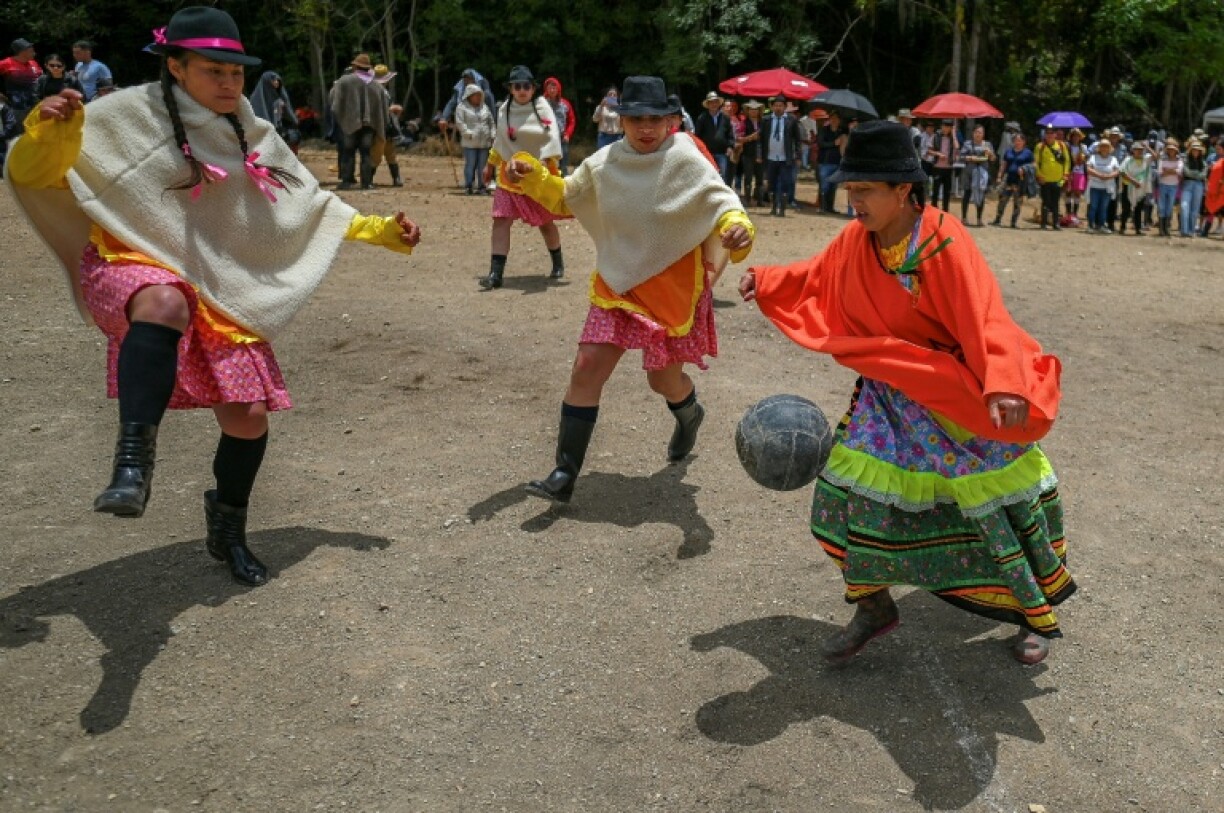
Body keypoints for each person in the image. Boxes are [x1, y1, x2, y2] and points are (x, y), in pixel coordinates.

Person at [5, 7, 421, 586]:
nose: (229, 84)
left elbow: (305, 202)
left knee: (247, 419)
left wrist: (378, 230)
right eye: (213, 71)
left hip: (216, 285)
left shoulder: (250, 128)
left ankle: (227, 531)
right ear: (175, 67)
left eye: (236, 72)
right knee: (164, 300)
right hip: (129, 263)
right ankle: (133, 465)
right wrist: (46, 133)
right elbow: (38, 175)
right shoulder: (123, 115)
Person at [739, 120, 1073, 665]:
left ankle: (1029, 613)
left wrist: (1004, 384)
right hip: (890, 396)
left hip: (956, 395)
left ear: (903, 191)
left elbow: (987, 316)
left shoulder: (943, 240)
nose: (854, 203)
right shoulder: (858, 239)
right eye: (850, 190)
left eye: (864, 191)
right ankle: (873, 606)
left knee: (994, 509)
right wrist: (770, 280)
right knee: (841, 500)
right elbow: (816, 275)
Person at [500, 75, 754, 508]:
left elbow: (725, 204)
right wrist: (531, 174)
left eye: (656, 118)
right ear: (622, 120)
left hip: (673, 290)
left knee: (663, 380)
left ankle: (689, 413)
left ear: (673, 119)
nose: (646, 127)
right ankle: (564, 473)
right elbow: (565, 198)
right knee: (586, 367)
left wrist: (737, 229)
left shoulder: (687, 157)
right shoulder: (606, 161)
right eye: (636, 118)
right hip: (617, 285)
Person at [480, 65, 567, 289]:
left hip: (537, 174)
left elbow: (551, 138)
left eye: (526, 86)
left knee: (545, 223)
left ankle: (558, 262)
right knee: (501, 221)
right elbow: (500, 142)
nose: (521, 90)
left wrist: (546, 166)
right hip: (509, 176)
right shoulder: (504, 110)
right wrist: (490, 164)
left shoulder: (542, 107)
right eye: (516, 86)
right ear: (510, 89)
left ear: (533, 88)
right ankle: (495, 274)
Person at [329, 53, 385, 190]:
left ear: (355, 66)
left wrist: (341, 117)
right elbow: (383, 105)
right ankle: (367, 183)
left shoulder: (344, 81)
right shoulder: (377, 84)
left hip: (349, 122)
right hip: (370, 125)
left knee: (348, 151)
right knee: (366, 152)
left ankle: (347, 181)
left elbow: (334, 101)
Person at [761, 95, 801, 218]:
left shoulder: (791, 120)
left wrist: (798, 155)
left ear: (785, 107)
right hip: (771, 156)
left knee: (785, 182)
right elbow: (761, 138)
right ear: (772, 107)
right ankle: (773, 207)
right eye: (776, 105)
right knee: (771, 183)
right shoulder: (766, 120)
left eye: (781, 106)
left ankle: (782, 209)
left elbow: (797, 139)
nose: (778, 108)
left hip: (785, 157)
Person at [248, 70, 300, 154]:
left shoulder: (280, 95)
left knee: (294, 136)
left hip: (281, 128)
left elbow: (289, 114)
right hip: (263, 132)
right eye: (273, 80)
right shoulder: (256, 98)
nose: (276, 82)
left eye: (277, 80)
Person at [455, 82, 494, 194]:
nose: (478, 97)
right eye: (475, 95)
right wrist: (468, 133)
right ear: (469, 95)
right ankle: (469, 185)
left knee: (483, 166)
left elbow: (491, 122)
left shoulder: (485, 107)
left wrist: (492, 134)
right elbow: (460, 123)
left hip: (484, 142)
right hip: (470, 142)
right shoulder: (461, 107)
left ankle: (482, 186)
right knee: (470, 165)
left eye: (479, 95)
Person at [369, 64, 403, 187]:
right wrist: (391, 109)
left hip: (387, 125)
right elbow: (376, 110)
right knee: (376, 154)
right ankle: (368, 180)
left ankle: (396, 178)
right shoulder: (375, 91)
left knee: (390, 153)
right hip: (379, 126)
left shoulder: (383, 91)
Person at [992, 132, 1033, 228]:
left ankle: (1013, 222)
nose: (1017, 142)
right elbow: (1004, 164)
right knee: (1003, 199)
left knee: (1017, 202)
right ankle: (997, 219)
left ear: (1024, 142)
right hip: (1008, 179)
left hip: (1020, 180)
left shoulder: (1028, 153)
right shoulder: (1009, 152)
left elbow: (1033, 165)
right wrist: (999, 176)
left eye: (1020, 140)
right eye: (1016, 140)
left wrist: (1024, 168)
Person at [693, 91, 736, 183]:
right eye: (711, 102)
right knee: (708, 174)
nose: (713, 104)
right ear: (707, 104)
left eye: (715, 102)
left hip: (722, 152)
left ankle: (721, 195)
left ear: (718, 103)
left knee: (723, 174)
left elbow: (730, 135)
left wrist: (730, 146)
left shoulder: (725, 118)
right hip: (707, 152)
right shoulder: (702, 118)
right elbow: (697, 136)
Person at [1034, 124, 1071, 230]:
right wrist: (1039, 175)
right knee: (1045, 201)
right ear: (1045, 134)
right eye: (1047, 133)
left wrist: (1065, 175)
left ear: (1055, 134)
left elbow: (1067, 161)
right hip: (1044, 179)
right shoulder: (1040, 146)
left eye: (1052, 133)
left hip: (1059, 179)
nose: (1049, 135)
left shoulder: (1062, 146)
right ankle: (1044, 223)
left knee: (1056, 201)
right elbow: (1036, 163)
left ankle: (1056, 223)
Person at [0, 38, 42, 129]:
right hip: (17, 107)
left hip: (36, 104)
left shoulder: (33, 63)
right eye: (31, 50)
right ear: (23, 51)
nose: (34, 52)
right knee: (19, 132)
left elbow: (42, 79)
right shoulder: (6, 63)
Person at [958, 123, 994, 226]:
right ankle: (964, 218)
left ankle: (979, 219)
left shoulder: (987, 144)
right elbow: (961, 156)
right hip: (969, 172)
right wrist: (970, 158)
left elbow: (993, 159)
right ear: (973, 133)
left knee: (981, 194)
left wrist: (990, 153)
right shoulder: (967, 144)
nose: (978, 134)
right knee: (967, 194)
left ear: (983, 134)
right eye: (976, 132)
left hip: (982, 173)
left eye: (980, 132)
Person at [1118, 140, 1153, 235]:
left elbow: (1156, 156)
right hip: (1128, 186)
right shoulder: (1128, 160)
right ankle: (1122, 227)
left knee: (1138, 209)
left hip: (1140, 188)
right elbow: (1122, 171)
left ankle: (1138, 229)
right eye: (1137, 149)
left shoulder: (1145, 159)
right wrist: (1133, 181)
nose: (1139, 151)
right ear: (1133, 150)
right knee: (1126, 209)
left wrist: (1147, 147)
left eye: (1141, 150)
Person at [1084, 137, 1119, 233]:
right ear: (1099, 148)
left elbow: (1117, 171)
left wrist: (1108, 176)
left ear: (1109, 148)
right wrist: (1099, 175)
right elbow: (1089, 169)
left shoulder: (1113, 159)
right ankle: (1091, 225)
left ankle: (1101, 225)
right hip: (1095, 186)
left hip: (1107, 187)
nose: (1104, 148)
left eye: (1106, 146)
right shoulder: (1093, 157)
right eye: (1102, 146)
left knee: (1104, 207)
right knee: (1093, 206)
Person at [924, 119, 960, 211]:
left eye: (947, 127)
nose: (944, 129)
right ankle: (934, 210)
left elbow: (957, 147)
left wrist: (954, 135)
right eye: (943, 126)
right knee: (935, 191)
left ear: (950, 128)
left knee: (947, 192)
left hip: (948, 168)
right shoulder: (936, 136)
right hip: (937, 167)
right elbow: (929, 151)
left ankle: (945, 211)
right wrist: (938, 154)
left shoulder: (952, 138)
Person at [542, 76, 575, 175]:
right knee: (545, 162)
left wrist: (568, 134)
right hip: (546, 137)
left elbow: (572, 120)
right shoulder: (541, 103)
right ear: (546, 89)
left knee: (563, 163)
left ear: (558, 89)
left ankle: (564, 182)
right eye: (549, 88)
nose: (552, 90)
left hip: (562, 137)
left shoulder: (565, 104)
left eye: (554, 88)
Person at [816, 111, 846, 213]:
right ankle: (822, 207)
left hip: (836, 162)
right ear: (829, 119)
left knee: (833, 186)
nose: (834, 121)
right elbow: (821, 144)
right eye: (832, 118)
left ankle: (830, 207)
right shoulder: (823, 130)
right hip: (825, 162)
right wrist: (834, 143)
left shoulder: (842, 132)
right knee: (824, 185)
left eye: (837, 119)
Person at [738, 99, 766, 207]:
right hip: (748, 153)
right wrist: (751, 137)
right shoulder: (744, 123)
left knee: (760, 178)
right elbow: (739, 138)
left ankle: (760, 200)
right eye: (751, 110)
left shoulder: (763, 122)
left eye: (756, 110)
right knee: (748, 177)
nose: (754, 112)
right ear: (748, 111)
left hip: (761, 153)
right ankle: (747, 199)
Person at [1179, 138, 1208, 238]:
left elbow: (1203, 175)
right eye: (1194, 149)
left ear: (1200, 151)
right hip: (1187, 184)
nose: (1196, 151)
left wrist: (1194, 174)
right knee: (1184, 206)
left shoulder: (1203, 163)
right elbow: (1186, 172)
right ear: (1191, 150)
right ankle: (1184, 230)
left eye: (1198, 150)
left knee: (1195, 209)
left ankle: (1191, 231)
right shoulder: (1186, 160)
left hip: (1199, 185)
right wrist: (1197, 174)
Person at [1154, 137, 1182, 237]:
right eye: (1169, 149)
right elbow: (1160, 173)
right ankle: (1162, 229)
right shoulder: (1163, 159)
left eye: (1173, 150)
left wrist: (1168, 171)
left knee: (1169, 207)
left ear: (1176, 151)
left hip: (1173, 186)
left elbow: (1179, 171)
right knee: (1162, 206)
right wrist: (1172, 170)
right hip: (1163, 185)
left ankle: (1166, 228)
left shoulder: (1179, 160)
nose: (1171, 151)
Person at [1064, 128, 1088, 221]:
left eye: (1077, 136)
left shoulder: (1083, 147)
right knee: (1068, 192)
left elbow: (1087, 157)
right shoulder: (1067, 146)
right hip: (1070, 171)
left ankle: (1075, 213)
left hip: (1080, 172)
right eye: (1074, 136)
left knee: (1077, 193)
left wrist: (1083, 159)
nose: (1075, 138)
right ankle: (1068, 213)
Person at [0, 92, 20, 166]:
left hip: (3, 138)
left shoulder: (4, 108)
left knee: (3, 157)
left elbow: (10, 123)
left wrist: (2, 134)